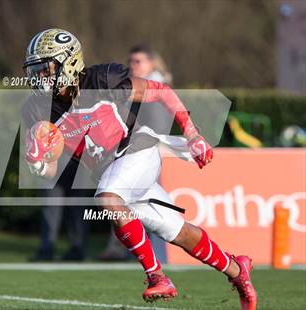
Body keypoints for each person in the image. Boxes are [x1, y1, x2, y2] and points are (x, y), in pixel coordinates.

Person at [22, 29, 257, 309]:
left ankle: (157, 276)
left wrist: (192, 134)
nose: (40, 77)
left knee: (108, 198)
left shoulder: (102, 79)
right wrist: (37, 163)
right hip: (118, 175)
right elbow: (50, 170)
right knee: (178, 232)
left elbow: (162, 92)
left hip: (137, 149)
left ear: (69, 62)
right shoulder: (36, 109)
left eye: (46, 69)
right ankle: (236, 269)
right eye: (35, 70)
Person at [100, 45, 173, 262]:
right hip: (132, 152)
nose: (133, 65)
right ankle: (122, 248)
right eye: (131, 61)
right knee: (120, 200)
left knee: (143, 205)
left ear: (152, 63)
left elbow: (157, 127)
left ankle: (144, 251)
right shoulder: (131, 87)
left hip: (149, 153)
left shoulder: (155, 87)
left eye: (138, 61)